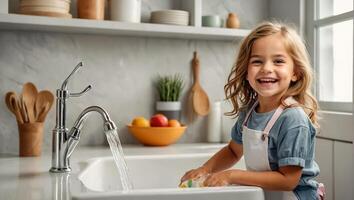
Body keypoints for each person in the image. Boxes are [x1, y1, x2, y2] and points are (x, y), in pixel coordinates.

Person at [180, 22, 324, 200]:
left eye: (278, 61)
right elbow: (233, 151)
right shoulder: (249, 112)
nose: (266, 68)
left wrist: (232, 175)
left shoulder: (293, 119)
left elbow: (288, 180)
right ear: (246, 72)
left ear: (296, 72)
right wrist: (205, 169)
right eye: (257, 61)